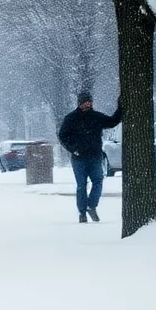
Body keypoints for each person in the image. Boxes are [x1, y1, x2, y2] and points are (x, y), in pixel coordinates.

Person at [57, 90, 122, 223]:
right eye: (85, 102)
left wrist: (120, 107)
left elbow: (112, 121)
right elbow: (63, 136)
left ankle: (91, 206)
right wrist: (73, 149)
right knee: (81, 185)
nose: (87, 105)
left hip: (95, 156)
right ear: (79, 103)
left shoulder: (96, 117)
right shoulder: (71, 118)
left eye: (89, 102)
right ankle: (82, 213)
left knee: (98, 181)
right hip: (78, 158)